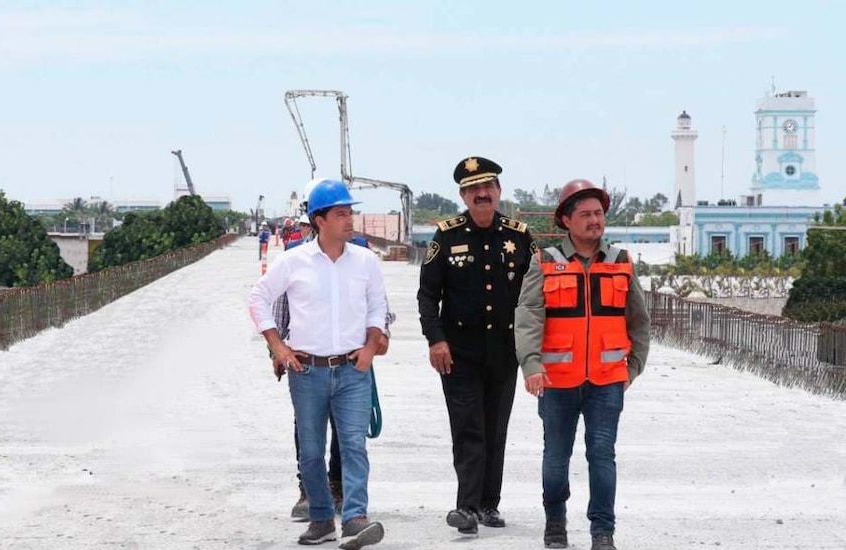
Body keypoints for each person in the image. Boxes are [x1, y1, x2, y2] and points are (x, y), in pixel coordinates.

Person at [249, 180, 388, 549]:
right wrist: (278, 347)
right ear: (319, 220)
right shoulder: (292, 262)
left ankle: (356, 518)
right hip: (307, 372)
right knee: (311, 451)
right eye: (341, 213)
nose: (350, 220)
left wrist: (371, 347)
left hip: (353, 370)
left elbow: (378, 308)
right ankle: (322, 519)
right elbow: (259, 299)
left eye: (350, 212)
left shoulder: (366, 262)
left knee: (354, 445)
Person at [514, 179, 650, 550]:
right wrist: (531, 364)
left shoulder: (620, 262)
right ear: (566, 220)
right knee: (556, 457)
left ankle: (602, 531)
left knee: (602, 454)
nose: (595, 220)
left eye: (599, 213)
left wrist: (633, 367)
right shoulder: (545, 262)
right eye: (586, 214)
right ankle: (555, 523)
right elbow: (528, 316)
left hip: (607, 381)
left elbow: (638, 319)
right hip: (556, 381)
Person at [416, 156, 534, 535]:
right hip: (459, 352)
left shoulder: (519, 236)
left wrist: (532, 348)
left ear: (498, 192)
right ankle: (466, 507)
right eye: (473, 190)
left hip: (504, 350)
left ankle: (489, 504)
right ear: (463, 196)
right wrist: (436, 339)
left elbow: (535, 297)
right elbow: (427, 294)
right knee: (468, 428)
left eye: (488, 187)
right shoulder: (446, 236)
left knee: (495, 427)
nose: (482, 194)